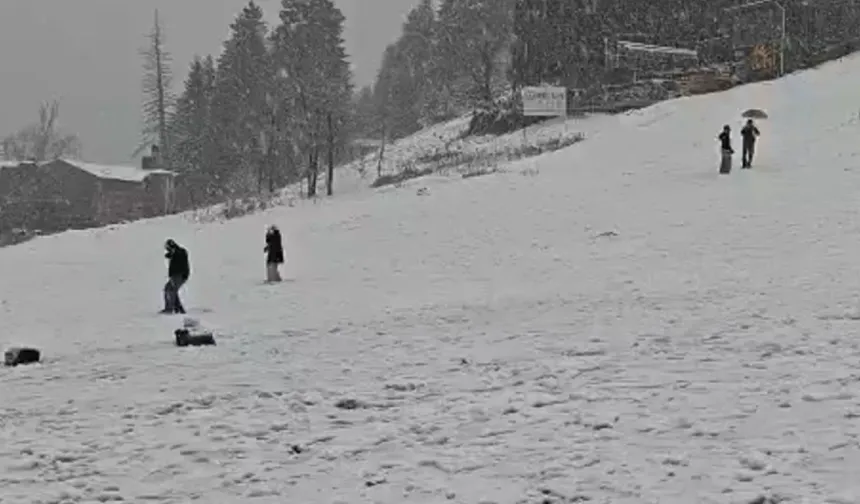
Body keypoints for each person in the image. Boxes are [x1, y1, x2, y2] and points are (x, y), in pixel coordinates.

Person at [161, 239, 190, 314]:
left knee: (171, 290)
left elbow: (180, 255)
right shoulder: (176, 253)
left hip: (179, 275)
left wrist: (172, 254)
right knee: (170, 289)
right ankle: (178, 309)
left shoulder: (180, 252)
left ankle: (170, 309)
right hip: (175, 275)